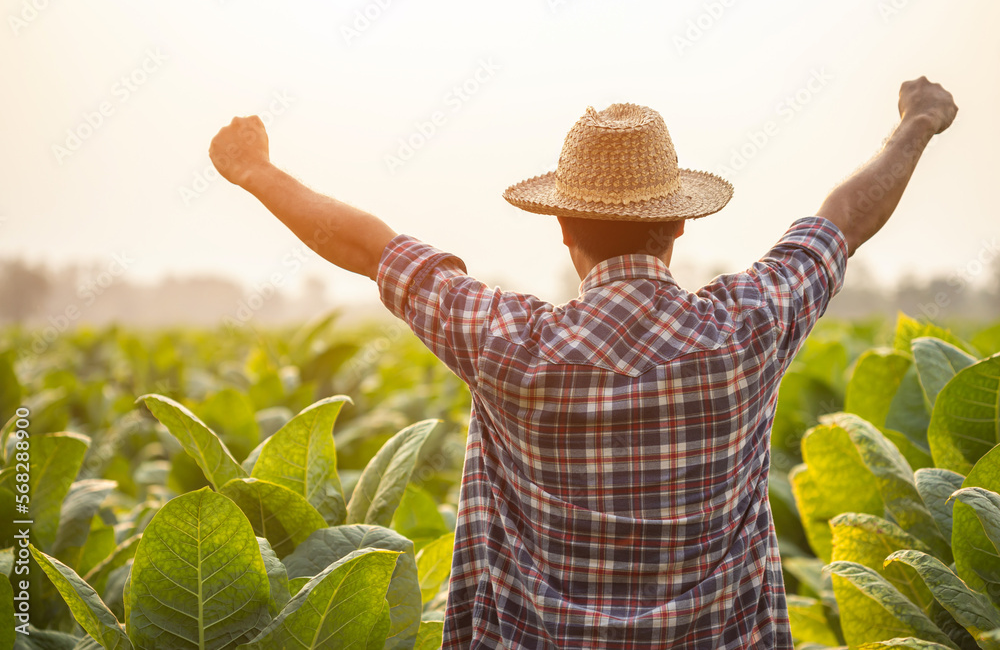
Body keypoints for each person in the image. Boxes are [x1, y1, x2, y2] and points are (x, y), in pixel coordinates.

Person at [209, 76, 958, 649]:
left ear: (562, 226)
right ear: (679, 224)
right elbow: (841, 221)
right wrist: (916, 123)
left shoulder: (508, 342)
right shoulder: (746, 330)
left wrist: (254, 171)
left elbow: (370, 247)